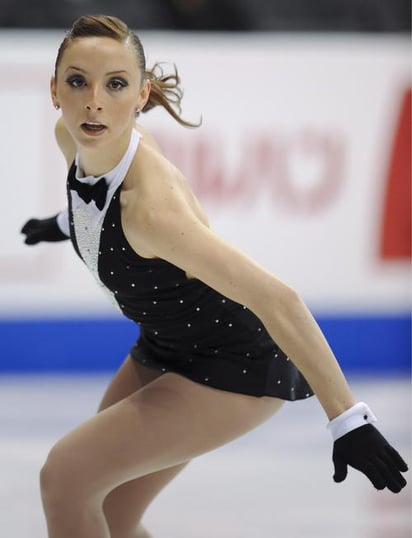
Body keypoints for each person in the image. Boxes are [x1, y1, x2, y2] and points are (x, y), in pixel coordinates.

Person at [21, 14, 408, 538]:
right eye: (77, 81)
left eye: (115, 85)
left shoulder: (152, 211)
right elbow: (96, 201)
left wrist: (347, 420)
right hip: (164, 346)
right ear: (53, 90)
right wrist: (68, 222)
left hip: (236, 367)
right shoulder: (72, 141)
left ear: (140, 96)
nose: (93, 101)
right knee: (107, 509)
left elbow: (280, 299)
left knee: (65, 476)